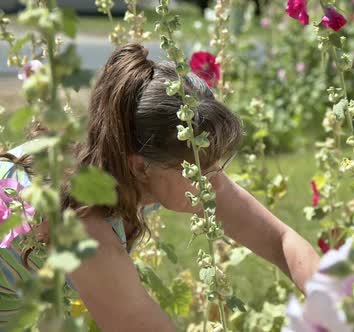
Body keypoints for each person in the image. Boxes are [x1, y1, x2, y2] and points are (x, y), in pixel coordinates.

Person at [0, 43, 320, 331]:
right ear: (140, 166)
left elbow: (279, 241)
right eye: (199, 170)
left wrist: (337, 308)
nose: (213, 182)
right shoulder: (84, 233)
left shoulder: (130, 165)